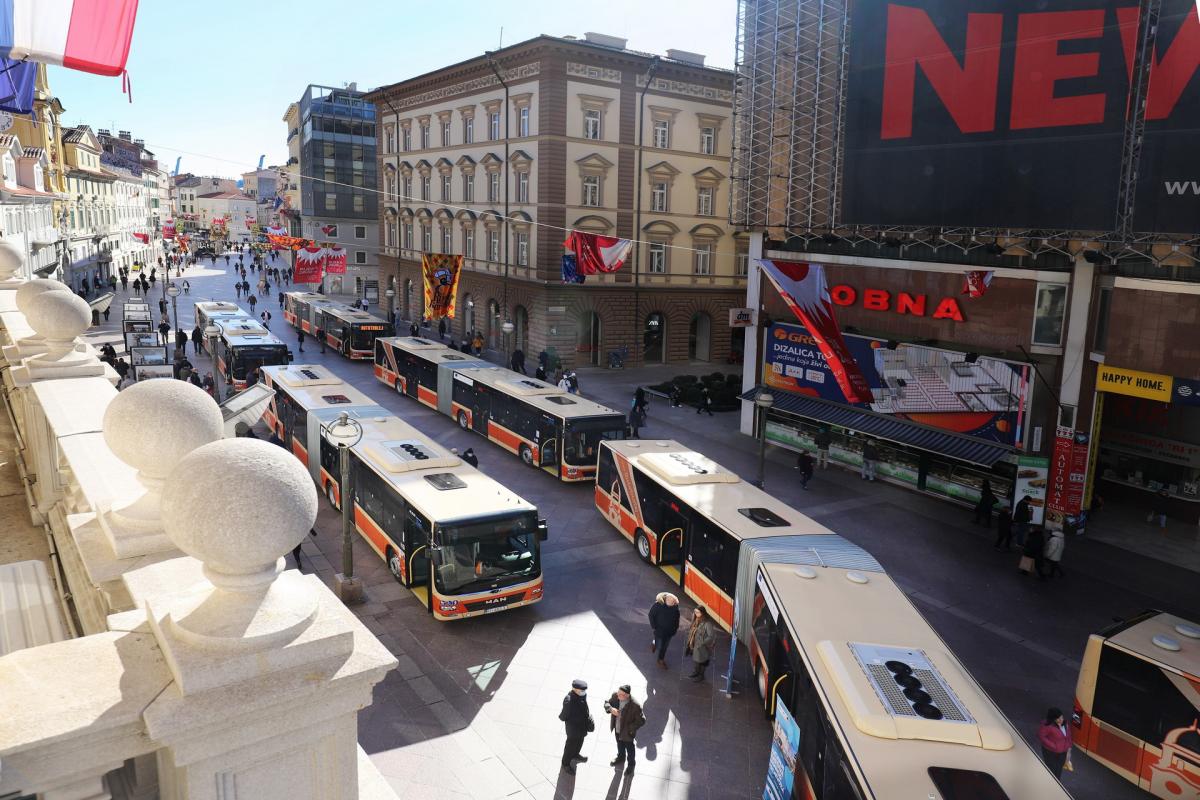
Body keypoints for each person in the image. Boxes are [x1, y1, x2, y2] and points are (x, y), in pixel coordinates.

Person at [605, 685, 645, 775]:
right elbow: (607, 703)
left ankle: (631, 765)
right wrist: (610, 709)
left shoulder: (635, 705)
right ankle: (621, 757)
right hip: (617, 729)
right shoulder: (615, 696)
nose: (617, 695)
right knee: (619, 744)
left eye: (620, 694)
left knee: (630, 749)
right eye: (618, 693)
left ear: (627, 695)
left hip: (627, 733)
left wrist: (631, 729)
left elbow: (642, 720)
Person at [559, 679, 593, 774]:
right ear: (575, 689)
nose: (584, 692)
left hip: (582, 727)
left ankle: (575, 755)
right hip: (573, 729)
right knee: (570, 746)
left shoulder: (581, 695)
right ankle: (565, 764)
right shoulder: (569, 700)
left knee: (579, 742)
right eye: (581, 690)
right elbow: (564, 715)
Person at [648, 592, 680, 669]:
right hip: (659, 630)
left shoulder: (676, 609)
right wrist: (654, 626)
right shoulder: (657, 605)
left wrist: (675, 629)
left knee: (664, 647)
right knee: (658, 643)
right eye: (669, 600)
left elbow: (676, 620)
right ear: (665, 599)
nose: (671, 602)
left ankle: (660, 660)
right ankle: (654, 643)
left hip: (669, 633)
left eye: (673, 601)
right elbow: (651, 615)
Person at [1038, 708, 1072, 778]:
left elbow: (1068, 736)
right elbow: (1041, 736)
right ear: (1052, 719)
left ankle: (1057, 785)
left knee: (1058, 770)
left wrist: (1069, 747)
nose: (1061, 720)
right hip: (1050, 752)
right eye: (1058, 718)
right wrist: (1053, 746)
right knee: (1051, 772)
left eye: (1062, 717)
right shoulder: (1047, 725)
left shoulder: (1065, 724)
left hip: (1062, 752)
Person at [686, 607, 717, 682]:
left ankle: (701, 675)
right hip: (694, 644)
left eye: (698, 612)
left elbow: (711, 636)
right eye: (695, 612)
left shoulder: (707, 623)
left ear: (702, 613)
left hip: (702, 647)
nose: (696, 614)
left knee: (703, 661)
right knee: (696, 659)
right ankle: (696, 672)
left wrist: (702, 642)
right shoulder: (696, 620)